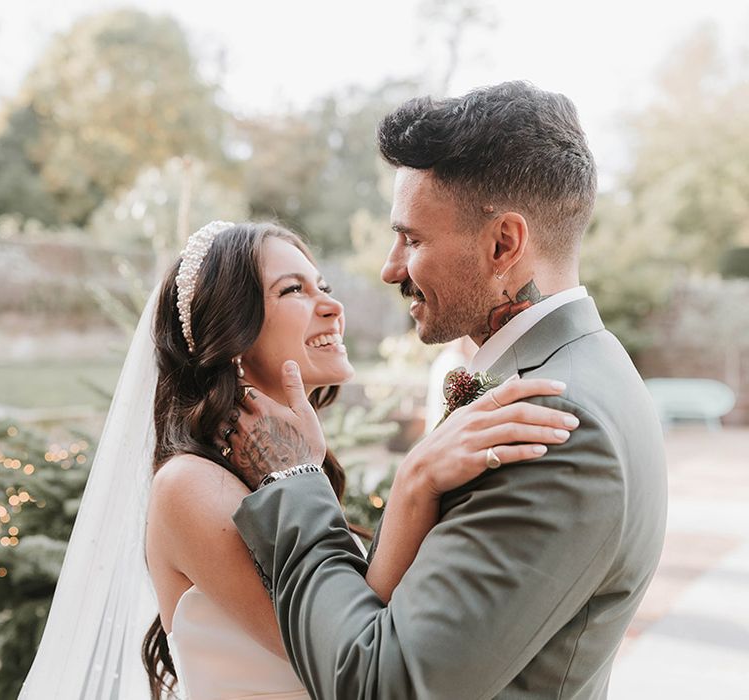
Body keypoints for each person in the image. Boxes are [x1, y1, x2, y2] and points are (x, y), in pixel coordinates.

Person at [225, 82, 668, 699]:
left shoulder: (554, 423)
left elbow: (380, 686)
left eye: (412, 238)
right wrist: (411, 486)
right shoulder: (587, 366)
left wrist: (293, 485)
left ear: (502, 244)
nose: (389, 267)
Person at [18, 220, 578, 700]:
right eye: (293, 291)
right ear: (230, 332)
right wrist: (415, 481)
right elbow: (348, 657)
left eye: (324, 285)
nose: (332, 306)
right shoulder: (192, 488)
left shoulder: (284, 474)